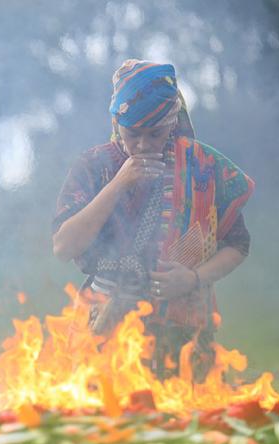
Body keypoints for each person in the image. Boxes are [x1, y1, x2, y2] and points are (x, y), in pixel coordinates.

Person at [52, 60, 253, 381]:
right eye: (133, 134)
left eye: (155, 134)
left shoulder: (201, 168)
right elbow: (63, 246)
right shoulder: (94, 166)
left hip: (182, 331)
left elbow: (238, 245)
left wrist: (193, 277)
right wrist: (120, 182)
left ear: (172, 123)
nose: (143, 145)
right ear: (117, 124)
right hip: (105, 322)